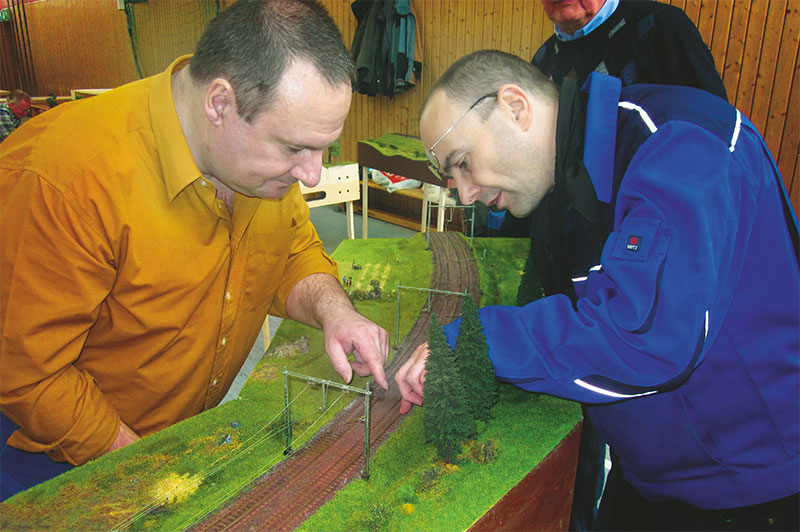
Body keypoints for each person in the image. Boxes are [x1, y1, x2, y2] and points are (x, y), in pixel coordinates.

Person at [0, 0, 389, 502]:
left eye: (323, 150)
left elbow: (291, 253)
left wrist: (336, 312)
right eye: (295, 148)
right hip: (50, 461)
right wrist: (148, 468)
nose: (312, 175)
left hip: (171, 438)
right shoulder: (68, 179)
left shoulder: (262, 169)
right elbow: (32, 374)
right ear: (220, 103)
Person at [397, 50, 799, 530]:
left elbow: (645, 338)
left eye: (462, 163)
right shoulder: (563, 184)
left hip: (749, 490)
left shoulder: (679, 142)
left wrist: (472, 342)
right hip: (656, 474)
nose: (464, 194)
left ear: (514, 107)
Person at [501, 0, 728, 238]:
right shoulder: (544, 58)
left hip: (649, 235)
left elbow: (714, 136)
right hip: (572, 244)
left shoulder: (660, 27)